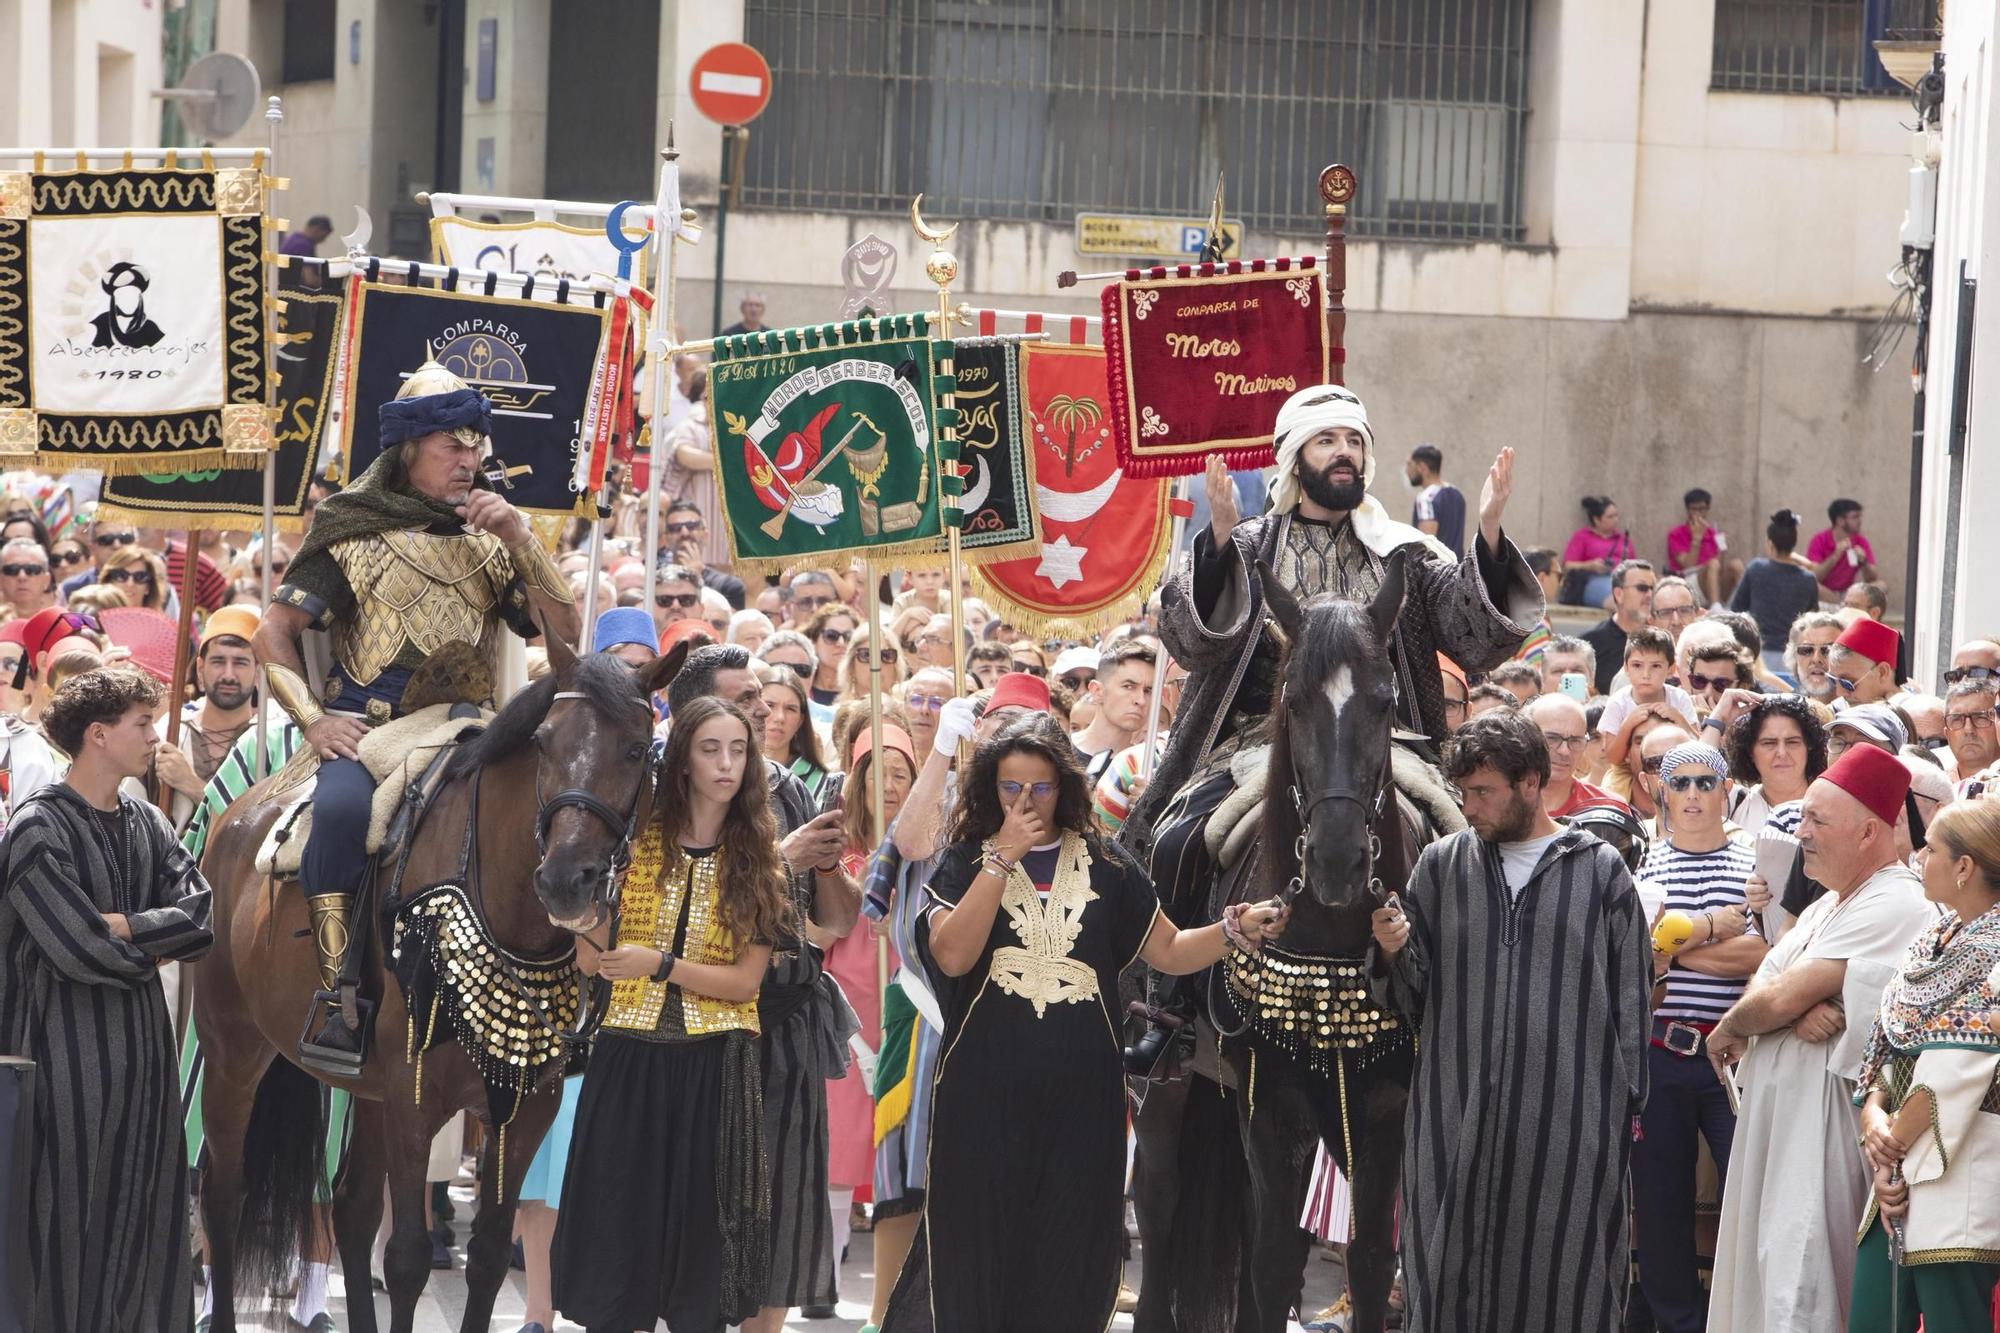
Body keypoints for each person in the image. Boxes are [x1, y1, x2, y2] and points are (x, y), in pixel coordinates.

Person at [879, 714, 1288, 1333]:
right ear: (990, 787)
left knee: (1070, 1246)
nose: (1024, 801)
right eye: (1010, 787)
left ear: (1063, 788)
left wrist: (1233, 932)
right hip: (982, 1098)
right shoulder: (962, 862)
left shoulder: (1109, 865)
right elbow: (953, 955)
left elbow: (1172, 952)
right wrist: (1001, 862)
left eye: (1039, 788)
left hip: (1083, 1100)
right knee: (979, 1245)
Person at [253, 360, 580, 1074]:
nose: (470, 461)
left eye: (476, 447)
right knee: (340, 815)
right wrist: (313, 721)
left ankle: (552, 983)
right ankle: (336, 992)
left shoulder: (493, 541)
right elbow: (271, 634)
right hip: (365, 735)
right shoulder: (348, 531)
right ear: (410, 450)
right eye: (452, 447)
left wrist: (525, 543)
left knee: (554, 811)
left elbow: (566, 640)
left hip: (469, 730)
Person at [1129, 384, 1540, 857]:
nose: (1344, 451)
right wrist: (1219, 543)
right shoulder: (1249, 546)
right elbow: (1191, 646)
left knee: (1462, 844)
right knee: (1175, 845)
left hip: (1385, 745)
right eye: (1326, 441)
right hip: (1258, 742)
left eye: (1354, 441)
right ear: (1295, 459)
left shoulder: (1401, 553)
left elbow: (1475, 640)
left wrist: (1488, 533)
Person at [1369, 710, 1651, 1333]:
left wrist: (1621, 1111)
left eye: (1482, 792)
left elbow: (1631, 998)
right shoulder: (1442, 866)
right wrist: (1391, 949)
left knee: (1565, 1285)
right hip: (1454, 1119)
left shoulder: (1600, 870)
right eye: (1463, 792)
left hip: (1570, 1130)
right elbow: (1406, 998)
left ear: (1530, 781)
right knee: (1444, 1281)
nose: (1469, 807)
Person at [553, 696, 789, 1333]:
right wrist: (579, 914)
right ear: (682, 758)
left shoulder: (762, 859)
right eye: (711, 749)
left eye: (738, 750)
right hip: (627, 1052)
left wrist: (660, 965)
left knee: (701, 1253)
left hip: (717, 1063)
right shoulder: (635, 843)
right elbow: (590, 959)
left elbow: (745, 985)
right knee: (617, 1235)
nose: (727, 763)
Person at [0, 666, 213, 1332]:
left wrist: (128, 924)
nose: (156, 736)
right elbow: (78, 947)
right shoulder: (37, 829)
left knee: (144, 1217)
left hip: (147, 1062)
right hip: (65, 1062)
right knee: (66, 1223)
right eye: (142, 723)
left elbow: (202, 916)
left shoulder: (148, 821)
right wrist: (149, 939)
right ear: (99, 734)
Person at [1706, 743, 1936, 1333]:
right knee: (1768, 1270)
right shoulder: (1822, 907)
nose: (1799, 831)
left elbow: (1780, 994)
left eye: (1816, 820)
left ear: (1866, 834)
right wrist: (1789, 1008)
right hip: (1779, 1124)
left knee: (1803, 1271)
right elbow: (1769, 979)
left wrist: (1736, 1025)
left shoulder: (1895, 899)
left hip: (1825, 1126)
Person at [665, 646, 862, 1333]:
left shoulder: (789, 788)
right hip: (699, 1023)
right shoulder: (665, 794)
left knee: (783, 1206)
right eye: (743, 700)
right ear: (691, 718)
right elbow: (676, 906)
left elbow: (834, 920)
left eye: (764, 699)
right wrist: (781, 857)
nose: (763, 711)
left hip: (786, 1021)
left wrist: (830, 859)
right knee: (703, 1211)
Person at [1848, 798, 2000, 1333]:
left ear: (1965, 867)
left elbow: (1961, 1063)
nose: (1919, 857)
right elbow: (1891, 1041)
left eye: (1931, 848)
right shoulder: (1932, 942)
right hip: (1896, 1164)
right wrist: (1873, 1113)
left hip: (1959, 1169)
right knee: (1872, 1318)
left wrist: (1890, 1147)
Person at [1630, 742, 1767, 1333]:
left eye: (1703, 783)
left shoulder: (1754, 866)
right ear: (1662, 793)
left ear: (1726, 790)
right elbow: (1638, 956)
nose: (1691, 794)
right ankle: (1676, 1323)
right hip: (1661, 1050)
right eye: (1679, 783)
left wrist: (1677, 945)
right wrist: (1712, 935)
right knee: (1660, 1204)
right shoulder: (1643, 866)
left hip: (1735, 1054)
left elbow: (1761, 951)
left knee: (1749, 1190)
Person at [823, 725, 917, 1296]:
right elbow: (817, 931)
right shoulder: (836, 848)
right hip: (846, 1014)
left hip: (906, 1007)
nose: (888, 786)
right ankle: (824, 1270)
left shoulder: (927, 847)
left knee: (897, 1146)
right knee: (838, 1144)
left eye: (901, 774)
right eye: (877, 773)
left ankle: (894, 1282)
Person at [1069, 638, 1157, 781]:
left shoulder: (1151, 766)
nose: (1140, 700)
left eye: (1148, 690)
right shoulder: (1058, 754)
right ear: (1097, 691)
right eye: (1129, 686)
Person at [1524, 692, 1625, 817]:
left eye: (1575, 741)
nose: (1564, 751)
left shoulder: (1609, 810)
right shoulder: (1502, 803)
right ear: (1526, 737)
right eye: (1552, 739)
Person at [1580, 559, 1657, 695]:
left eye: (1653, 589)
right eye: (1642, 588)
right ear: (1619, 594)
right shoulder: (1589, 644)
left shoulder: (1661, 639)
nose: (1650, 595)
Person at [759, 661, 832, 803]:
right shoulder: (734, 771)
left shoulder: (821, 783)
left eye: (790, 709)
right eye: (770, 705)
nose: (780, 717)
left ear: (801, 720)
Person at [1665, 488, 1744, 608]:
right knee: (1712, 563)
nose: (1698, 513)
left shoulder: (1713, 533)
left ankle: (1743, 605)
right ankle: (1715, 608)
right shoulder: (1676, 534)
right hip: (1687, 584)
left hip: (1711, 584)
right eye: (1694, 509)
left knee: (1736, 564)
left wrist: (1722, 548)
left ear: (1707, 510)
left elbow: (1719, 568)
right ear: (1687, 510)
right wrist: (1697, 539)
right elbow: (1688, 566)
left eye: (1702, 509)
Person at [662, 498, 745, 607]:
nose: (684, 532)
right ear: (666, 539)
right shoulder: (655, 582)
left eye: (692, 526)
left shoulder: (729, 587)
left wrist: (695, 578)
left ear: (706, 535)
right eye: (675, 528)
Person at [1562, 495, 1638, 607]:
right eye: (1610, 517)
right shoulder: (1582, 536)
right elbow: (1567, 565)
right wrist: (1590, 566)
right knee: (1617, 596)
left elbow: (1635, 566)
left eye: (1616, 516)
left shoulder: (1623, 539)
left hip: (1622, 581)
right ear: (1596, 520)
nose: (1615, 520)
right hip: (1593, 581)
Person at [1807, 498, 1878, 602]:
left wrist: (1864, 562)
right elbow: (1814, 576)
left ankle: (1845, 606)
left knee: (1880, 586)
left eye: (1859, 516)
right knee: (1814, 587)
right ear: (1840, 521)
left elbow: (1872, 579)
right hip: (1826, 594)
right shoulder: (1819, 540)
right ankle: (1843, 607)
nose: (1859, 521)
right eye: (1855, 517)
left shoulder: (1860, 541)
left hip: (1849, 593)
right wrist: (1835, 556)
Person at [1405, 443, 1466, 554]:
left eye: (1410, 464)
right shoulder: (1457, 494)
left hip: (1436, 569)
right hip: (1458, 568)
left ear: (1422, 468)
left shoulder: (1426, 499)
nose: (1406, 470)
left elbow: (1426, 545)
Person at [1830, 616, 1901, 707]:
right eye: (1832, 680)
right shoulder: (1837, 709)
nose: (1839, 693)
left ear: (1882, 672)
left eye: (1847, 683)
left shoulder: (1916, 716)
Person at [1945, 677, 2000, 792]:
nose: (1968, 729)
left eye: (1980, 717)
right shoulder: (1934, 787)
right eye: (1957, 719)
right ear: (1947, 734)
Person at [1789, 611, 1845, 702]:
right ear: (1794, 656)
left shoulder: (1859, 713)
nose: (1816, 659)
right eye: (1806, 650)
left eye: (1828, 650)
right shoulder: (1783, 711)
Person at [0, 537, 56, 618]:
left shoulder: (64, 624)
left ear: (46, 580)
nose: (22, 577)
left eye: (32, 569)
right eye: (12, 569)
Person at [650, 561, 706, 637]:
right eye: (665, 600)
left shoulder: (715, 648)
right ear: (650, 608)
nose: (675, 605)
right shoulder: (637, 648)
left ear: (701, 609)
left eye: (686, 599)